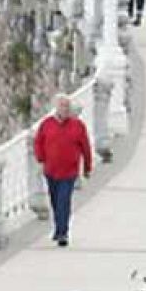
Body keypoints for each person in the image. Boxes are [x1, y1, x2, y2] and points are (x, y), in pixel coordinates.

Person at [32, 94, 92, 247]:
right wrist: (40, 158)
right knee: (55, 201)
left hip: (69, 172)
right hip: (51, 171)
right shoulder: (46, 124)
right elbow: (38, 142)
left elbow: (85, 147)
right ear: (56, 108)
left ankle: (63, 232)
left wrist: (87, 167)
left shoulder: (78, 126)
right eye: (62, 106)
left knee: (64, 201)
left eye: (67, 106)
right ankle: (58, 228)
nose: (65, 109)